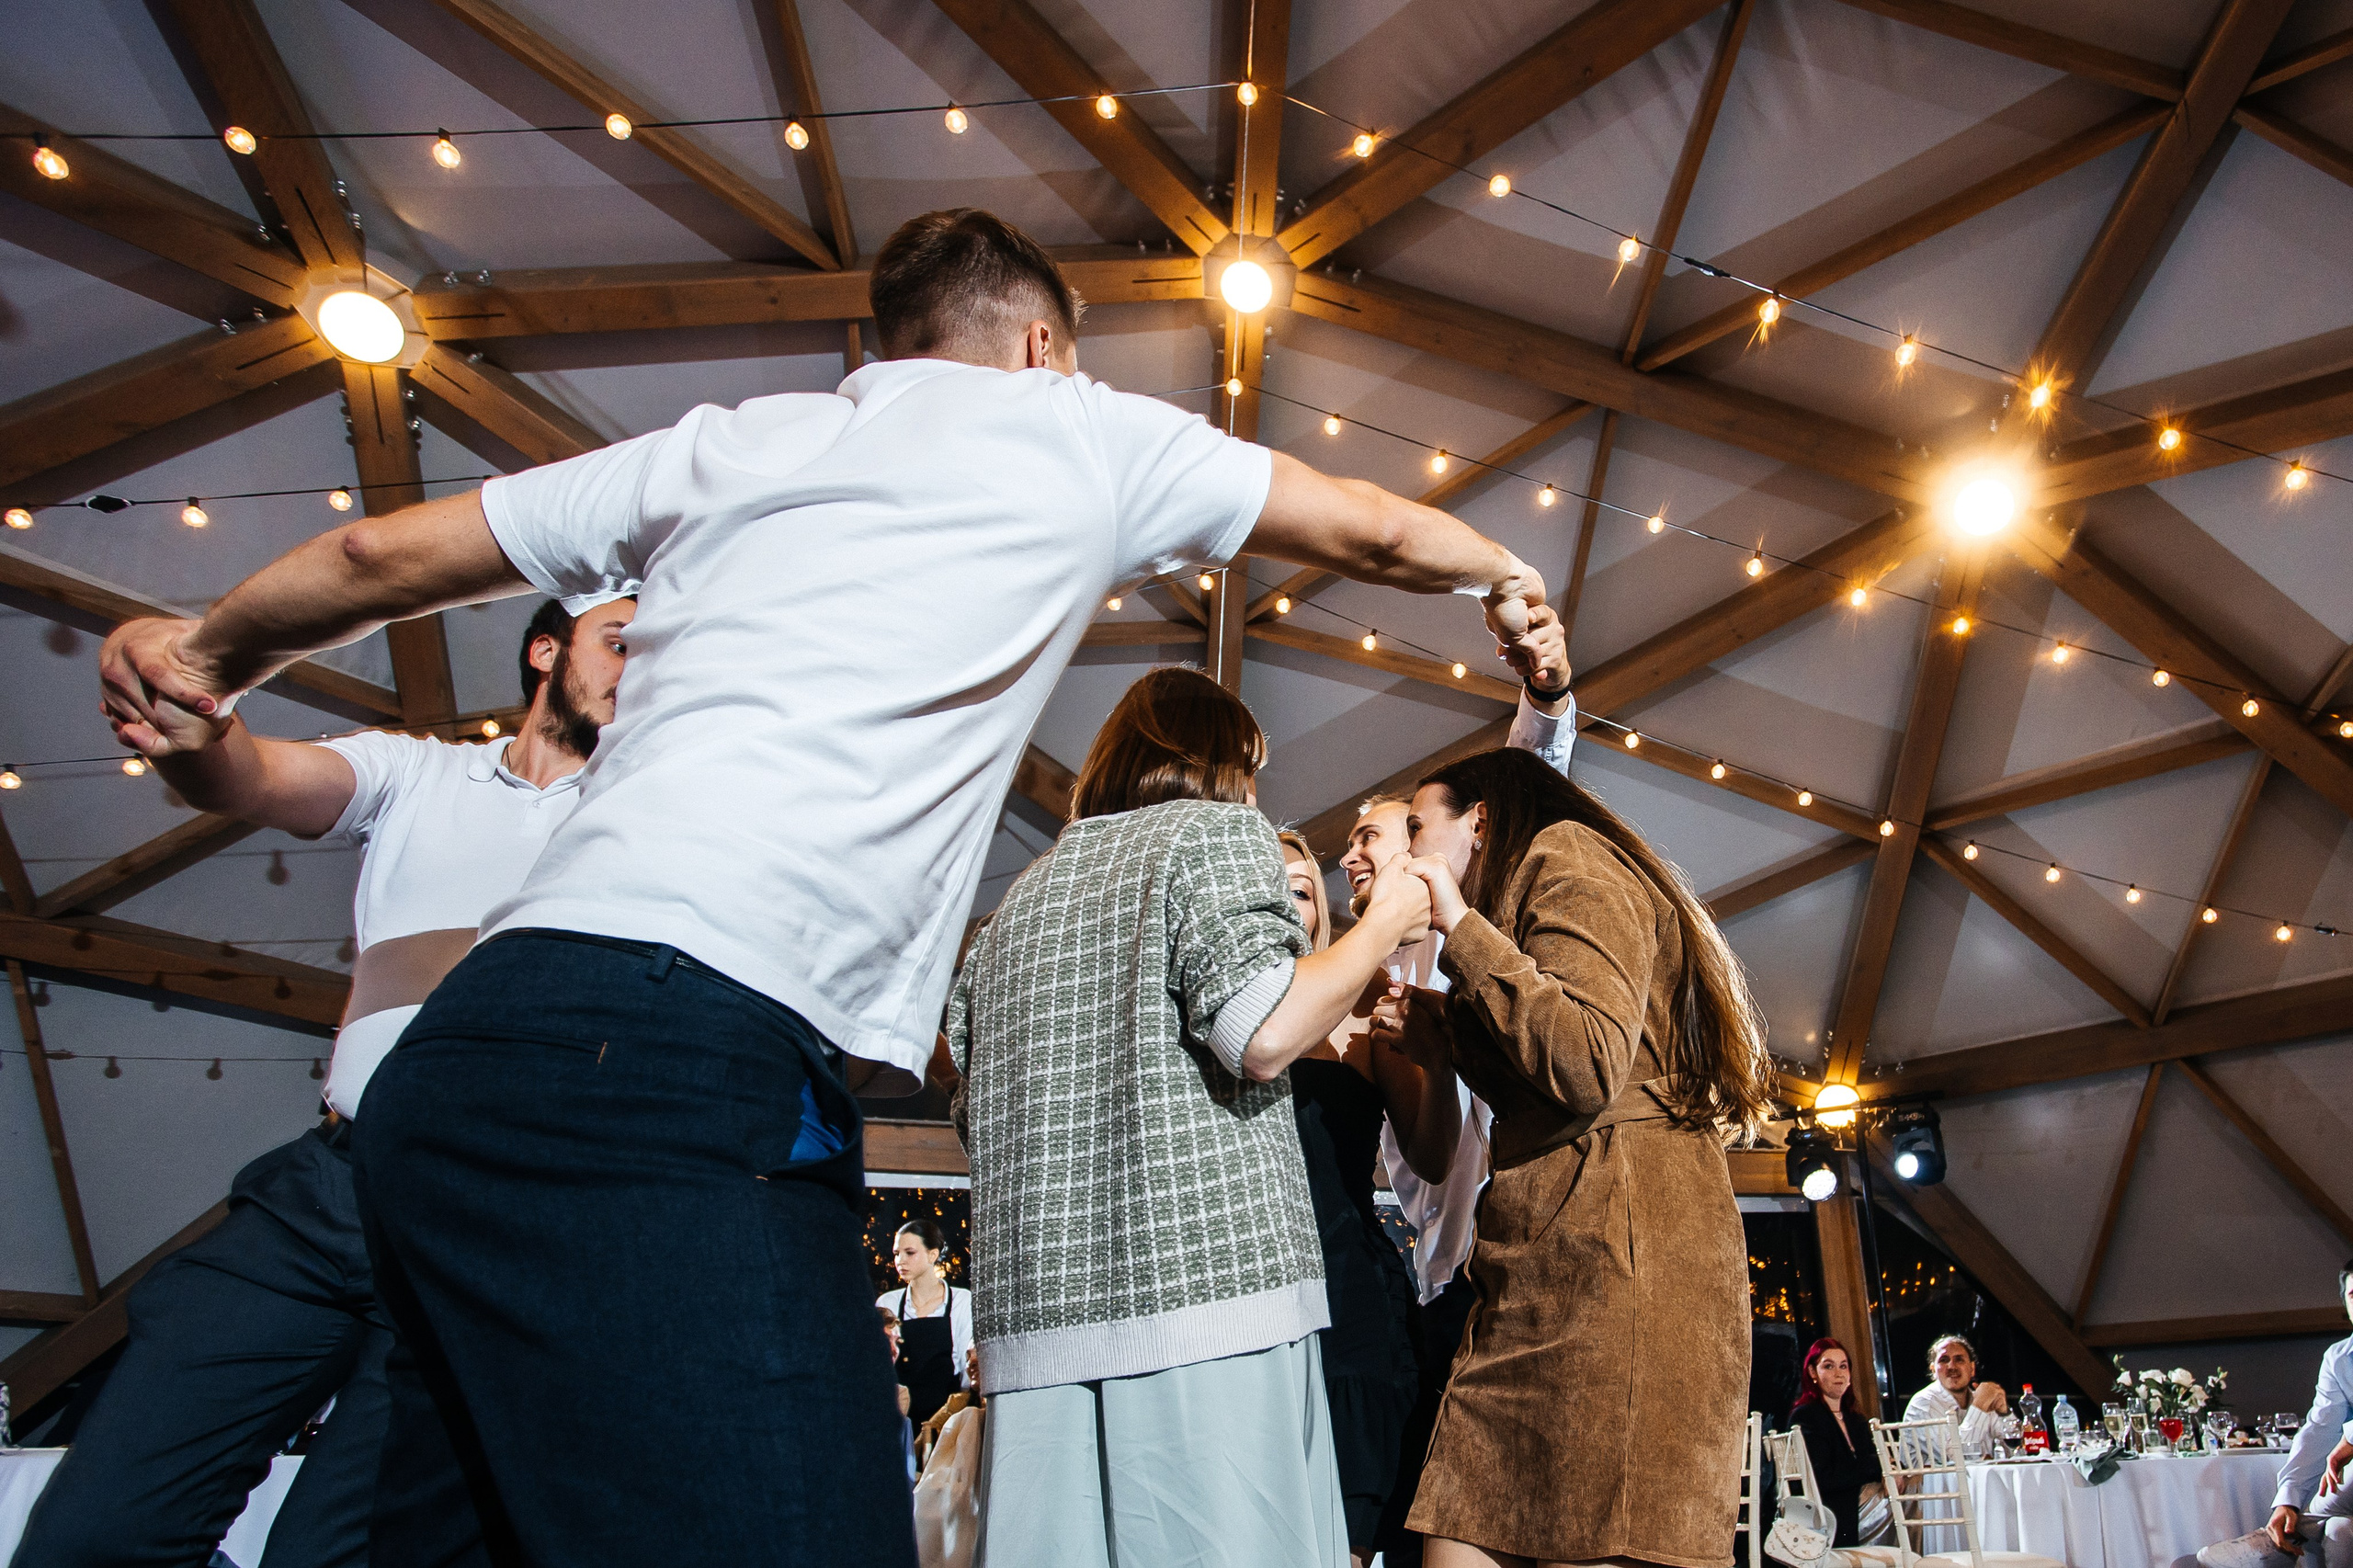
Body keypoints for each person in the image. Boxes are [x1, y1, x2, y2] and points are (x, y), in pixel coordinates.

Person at [95, 208, 1548, 1567]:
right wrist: (1502, 575)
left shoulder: (731, 441)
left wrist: (207, 657)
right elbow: (1367, 524)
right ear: (1042, 345)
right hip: (681, 1063)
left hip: (461, 1063)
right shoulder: (1074, 428)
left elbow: (378, 550)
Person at [17, 596, 632, 1568]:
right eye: (622, 639)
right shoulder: (420, 771)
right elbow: (252, 774)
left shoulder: (650, 813)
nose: (642, 665)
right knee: (92, 1535)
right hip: (327, 1188)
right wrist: (192, 725)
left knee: (345, 1555)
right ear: (547, 648)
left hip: (489, 1221)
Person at [949, 666, 1438, 1568]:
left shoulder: (1017, 904)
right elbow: (1261, 1028)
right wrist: (1384, 925)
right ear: (1220, 761)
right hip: (1203, 1308)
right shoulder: (1214, 831)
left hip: (1035, 1331)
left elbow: (974, 1109)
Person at [1381, 745, 1772, 1568]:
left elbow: (1590, 1061)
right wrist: (1445, 1030)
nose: (1410, 853)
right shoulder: (1514, 903)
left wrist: (1459, 924)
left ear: (1478, 822)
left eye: (1419, 829)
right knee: (1457, 1525)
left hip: (1622, 1259)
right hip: (1535, 1270)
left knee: (1590, 1537)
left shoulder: (1568, 852)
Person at [1276, 619, 1576, 1568]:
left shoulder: (1454, 926)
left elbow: (1512, 792)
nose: (1351, 855)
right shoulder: (1360, 971)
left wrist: (1545, 701)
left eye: (1372, 835)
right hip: (1434, 1274)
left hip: (1517, 1257)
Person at [2256, 1259, 2353, 1568]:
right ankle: (2289, 1529)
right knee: (2340, 1530)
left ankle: (2279, 1543)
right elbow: (2320, 1431)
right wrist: (2288, 1499)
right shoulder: (2340, 1358)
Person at [1790, 1337, 1886, 1549]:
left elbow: (1870, 1460)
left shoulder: (1854, 1417)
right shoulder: (1806, 1416)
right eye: (1829, 1366)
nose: (1838, 1373)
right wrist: (1878, 1468)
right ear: (1813, 1373)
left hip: (1857, 1499)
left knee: (1912, 1484)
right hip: (1830, 1508)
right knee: (1903, 1498)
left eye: (1843, 1366)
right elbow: (1823, 1477)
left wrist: (1886, 1471)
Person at [880, 1220, 974, 1425]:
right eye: (897, 1254)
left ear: (933, 1254)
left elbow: (967, 1371)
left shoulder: (961, 1301)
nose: (900, 1261)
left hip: (946, 1422)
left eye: (910, 1253)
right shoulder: (888, 1303)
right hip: (897, 1420)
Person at [1903, 1335, 2006, 1460]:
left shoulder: (1979, 1398)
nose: (1952, 1366)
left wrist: (2004, 1413)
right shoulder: (1923, 1404)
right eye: (1944, 1360)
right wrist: (1978, 1408)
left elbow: (2014, 1452)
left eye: (1959, 1360)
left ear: (1972, 1369)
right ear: (1934, 1370)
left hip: (1979, 1478)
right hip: (1937, 1480)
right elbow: (1955, 1457)